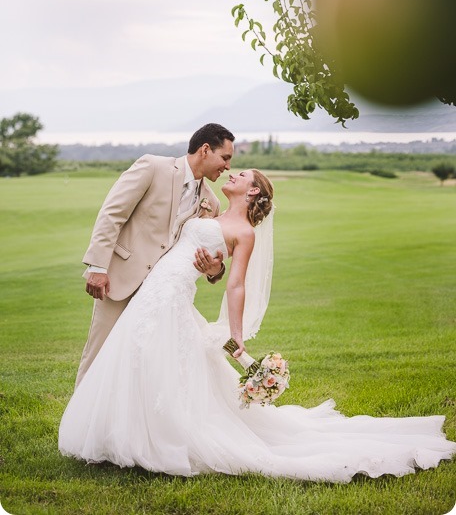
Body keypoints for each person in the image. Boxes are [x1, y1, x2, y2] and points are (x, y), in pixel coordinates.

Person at [60, 168, 456, 481]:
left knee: (163, 364)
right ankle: (121, 435)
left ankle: (159, 442)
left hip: (174, 296)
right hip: (152, 291)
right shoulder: (208, 208)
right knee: (136, 358)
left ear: (252, 193)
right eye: (231, 168)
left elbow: (235, 283)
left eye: (241, 175)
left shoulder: (244, 233)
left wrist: (234, 333)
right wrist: (211, 266)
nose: (232, 174)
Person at [75, 123, 235, 386]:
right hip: (120, 279)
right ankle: (79, 424)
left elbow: (213, 264)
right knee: (99, 354)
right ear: (205, 150)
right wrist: (98, 267)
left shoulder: (211, 202)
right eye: (225, 158)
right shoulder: (153, 167)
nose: (227, 166)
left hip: (161, 294)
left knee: (144, 363)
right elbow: (112, 214)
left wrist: (215, 269)